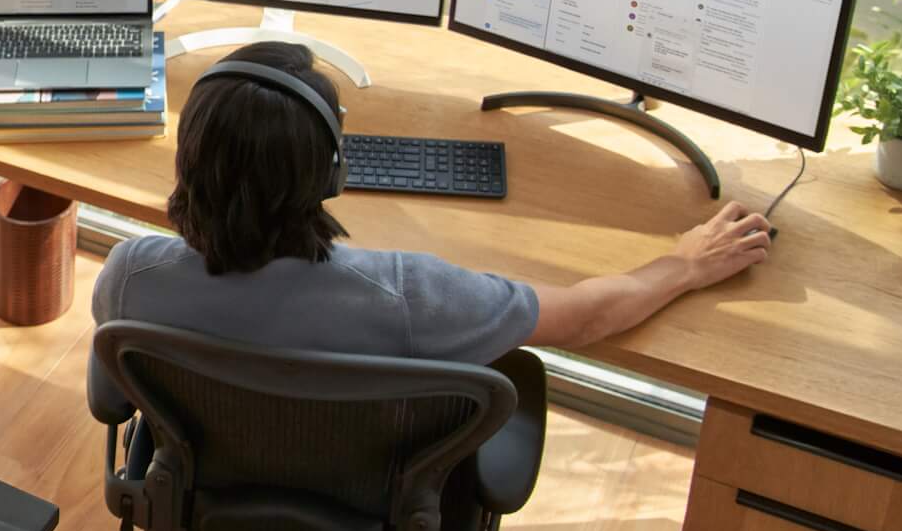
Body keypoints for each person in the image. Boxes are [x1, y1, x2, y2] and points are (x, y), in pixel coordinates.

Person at [93, 41, 772, 359]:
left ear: (188, 160)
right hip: (361, 514)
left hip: (212, 496)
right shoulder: (409, 295)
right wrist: (685, 262)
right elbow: (587, 317)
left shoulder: (129, 277)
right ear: (331, 173)